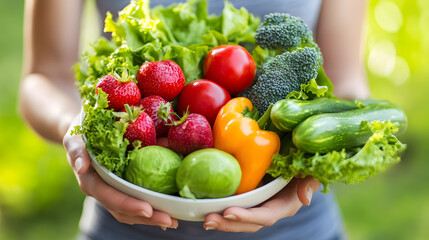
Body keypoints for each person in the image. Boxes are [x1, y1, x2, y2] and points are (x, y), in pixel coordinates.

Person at [19, 0, 370, 239]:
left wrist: (312, 166)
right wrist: (76, 126)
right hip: (120, 228)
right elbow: (44, 79)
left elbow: (345, 84)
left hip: (300, 230)